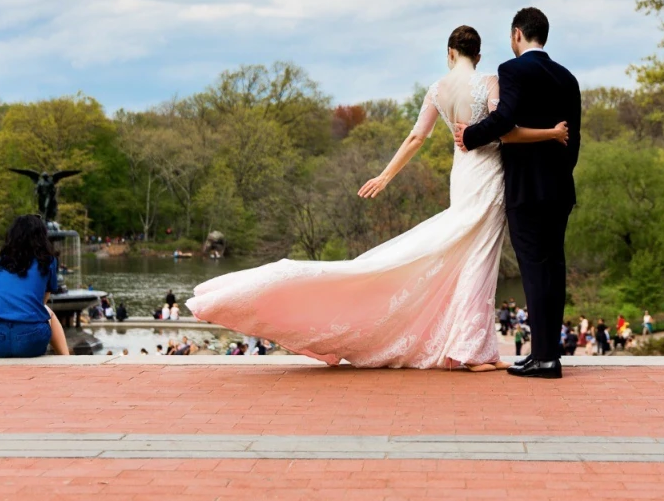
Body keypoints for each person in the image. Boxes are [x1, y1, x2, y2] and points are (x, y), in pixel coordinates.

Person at [188, 24, 570, 371]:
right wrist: (550, 133)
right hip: (487, 177)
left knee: (466, 253)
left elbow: (415, 138)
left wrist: (385, 175)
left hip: (464, 177)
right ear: (479, 55)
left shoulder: (438, 89)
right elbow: (501, 130)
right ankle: (471, 349)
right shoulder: (489, 82)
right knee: (479, 256)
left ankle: (469, 345)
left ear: (450, 53)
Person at [456, 9, 581, 379]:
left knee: (533, 271)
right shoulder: (567, 77)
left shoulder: (513, 71)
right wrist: (558, 173)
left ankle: (544, 360)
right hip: (559, 188)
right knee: (553, 270)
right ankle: (546, 352)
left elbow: (505, 119)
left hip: (527, 189)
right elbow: (573, 142)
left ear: (517, 35)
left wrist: (471, 136)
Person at [0, 215, 70, 358]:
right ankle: (66, 359)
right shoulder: (47, 262)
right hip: (30, 340)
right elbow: (42, 301)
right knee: (48, 312)